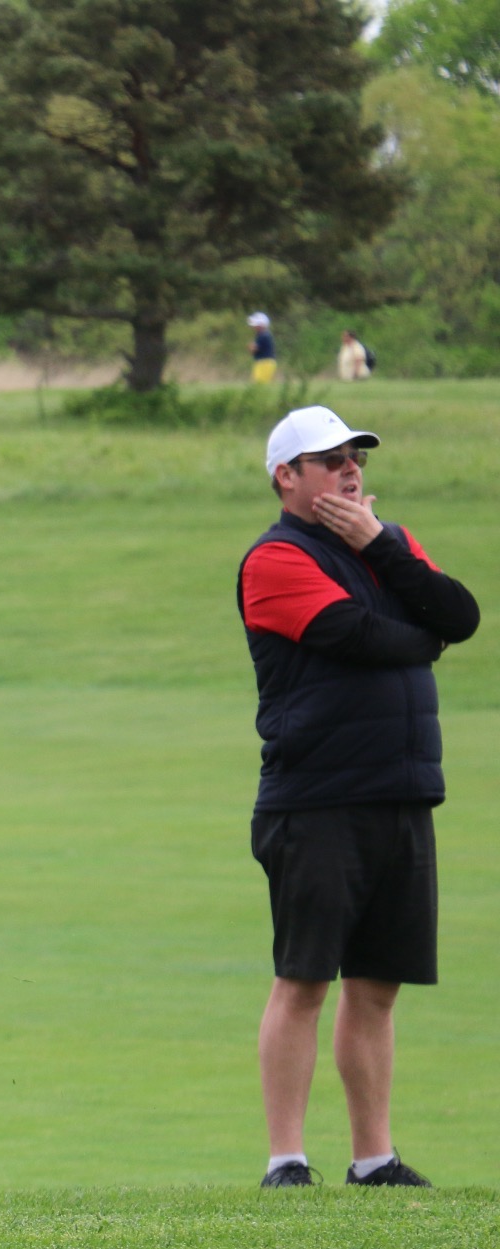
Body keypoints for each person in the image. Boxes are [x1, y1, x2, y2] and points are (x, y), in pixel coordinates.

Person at [238, 406, 479, 1190]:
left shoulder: (391, 545)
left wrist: (383, 549)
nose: (351, 471)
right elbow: (368, 638)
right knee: (305, 977)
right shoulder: (273, 559)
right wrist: (424, 631)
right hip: (317, 799)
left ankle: (373, 1158)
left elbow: (460, 616)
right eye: (330, 459)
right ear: (287, 475)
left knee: (377, 983)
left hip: (402, 789)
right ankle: (286, 1160)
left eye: (357, 459)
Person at [248, 313, 278, 385]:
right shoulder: (263, 335)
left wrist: (251, 346)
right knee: (257, 384)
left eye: (256, 325)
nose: (254, 327)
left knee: (260, 384)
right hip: (263, 362)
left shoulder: (263, 335)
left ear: (261, 325)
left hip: (265, 363)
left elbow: (254, 349)